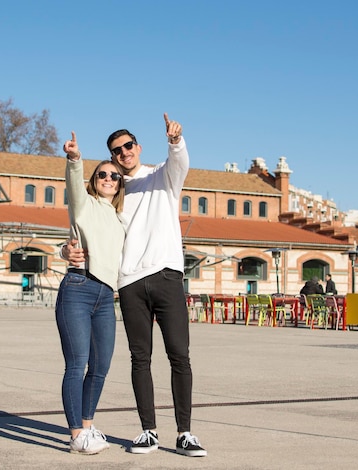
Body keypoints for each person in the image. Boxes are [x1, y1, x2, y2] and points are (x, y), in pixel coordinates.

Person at [63, 114, 207, 457]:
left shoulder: (163, 176)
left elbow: (180, 161)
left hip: (167, 275)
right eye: (117, 151)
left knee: (179, 356)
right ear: (112, 158)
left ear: (138, 148)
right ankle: (148, 431)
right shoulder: (115, 193)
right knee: (139, 358)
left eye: (129, 146)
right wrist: (65, 248)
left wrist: (175, 141)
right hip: (129, 283)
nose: (124, 153)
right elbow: (87, 227)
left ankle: (185, 433)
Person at [55, 132, 126, 455]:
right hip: (78, 288)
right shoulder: (84, 205)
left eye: (115, 175)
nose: (109, 178)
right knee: (77, 364)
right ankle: (75, 435)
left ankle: (87, 425)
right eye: (102, 174)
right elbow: (73, 184)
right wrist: (74, 160)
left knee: (101, 366)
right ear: (94, 180)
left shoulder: (122, 220)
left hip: (106, 296)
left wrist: (62, 249)